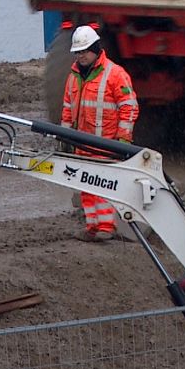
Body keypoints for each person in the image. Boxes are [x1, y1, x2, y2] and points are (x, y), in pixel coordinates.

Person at [61, 25, 139, 242]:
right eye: (78, 52)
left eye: (84, 51)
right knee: (85, 185)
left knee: (103, 185)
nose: (81, 56)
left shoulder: (115, 74)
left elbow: (129, 107)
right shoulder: (74, 76)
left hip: (106, 143)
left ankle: (106, 226)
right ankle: (93, 226)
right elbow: (68, 107)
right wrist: (64, 136)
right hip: (82, 144)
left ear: (96, 49)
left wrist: (123, 140)